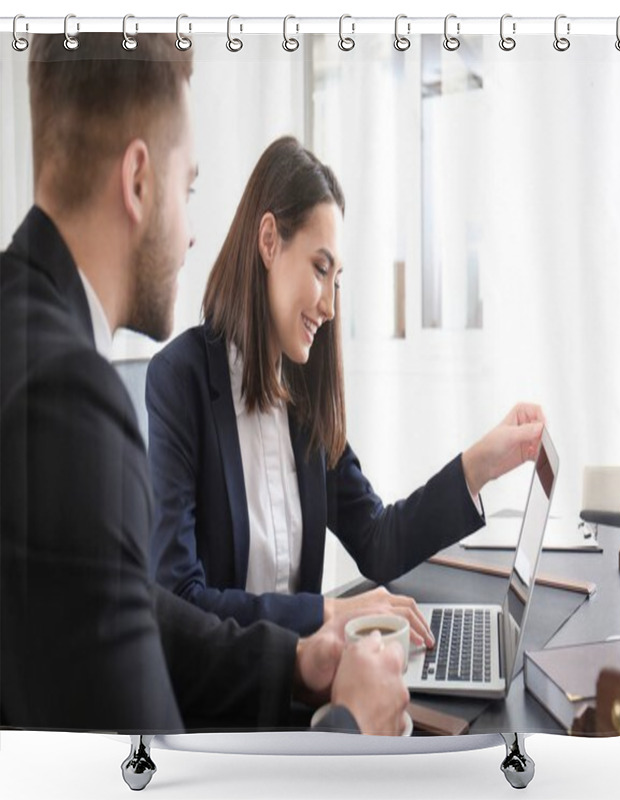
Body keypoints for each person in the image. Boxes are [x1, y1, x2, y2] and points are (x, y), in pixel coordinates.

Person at [0, 33, 408, 737]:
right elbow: (151, 770)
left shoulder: (22, 330)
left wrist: (294, 664)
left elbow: (136, 606)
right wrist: (349, 728)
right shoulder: (68, 399)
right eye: (187, 189)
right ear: (137, 181)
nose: (192, 235)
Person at [146, 136, 546, 643]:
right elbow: (179, 599)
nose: (331, 306)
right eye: (320, 268)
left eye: (336, 279)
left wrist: (483, 462)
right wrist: (330, 614)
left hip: (302, 689)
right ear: (269, 240)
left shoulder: (301, 401)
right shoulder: (179, 380)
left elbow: (378, 541)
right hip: (225, 704)